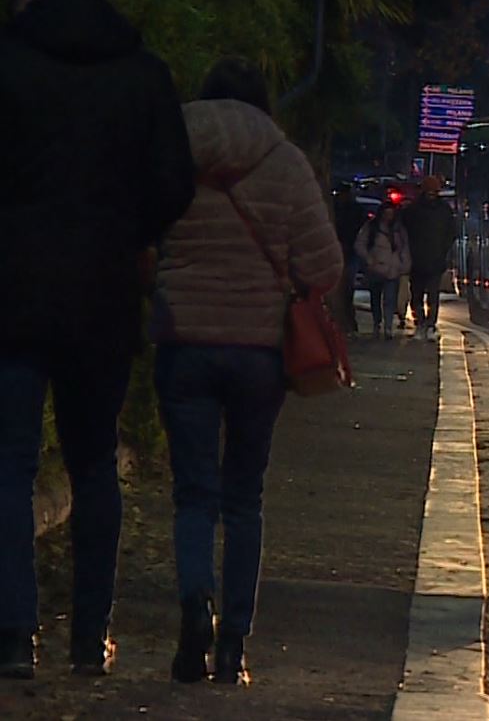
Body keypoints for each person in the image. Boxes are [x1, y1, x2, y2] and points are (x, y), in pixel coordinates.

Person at [0, 0, 195, 679]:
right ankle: (89, 635)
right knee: (94, 464)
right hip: (102, 295)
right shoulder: (140, 75)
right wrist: (127, 229)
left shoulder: (9, 62)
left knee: (10, 464)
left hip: (12, 292)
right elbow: (175, 182)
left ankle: (15, 632)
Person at [151, 58, 343, 685]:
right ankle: (234, 641)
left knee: (193, 494)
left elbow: (136, 234)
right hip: (260, 352)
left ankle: (193, 607)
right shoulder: (284, 161)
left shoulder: (170, 147)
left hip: (184, 343)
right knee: (244, 497)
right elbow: (326, 265)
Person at [401, 176, 457, 342]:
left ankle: (428, 325)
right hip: (421, 259)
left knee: (429, 295)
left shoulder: (419, 209)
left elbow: (451, 233)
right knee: (419, 295)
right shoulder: (418, 210)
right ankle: (423, 324)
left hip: (431, 259)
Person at [355, 204, 412, 339]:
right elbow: (360, 244)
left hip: (393, 269)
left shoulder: (399, 230)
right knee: (375, 298)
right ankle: (377, 322)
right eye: (386, 213)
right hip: (376, 268)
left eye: (391, 214)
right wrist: (369, 259)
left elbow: (405, 248)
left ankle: (387, 326)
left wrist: (404, 264)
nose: (388, 217)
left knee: (390, 299)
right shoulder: (372, 228)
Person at [332, 186, 368, 335]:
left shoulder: (344, 210)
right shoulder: (353, 210)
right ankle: (348, 321)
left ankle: (347, 321)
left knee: (345, 288)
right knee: (345, 288)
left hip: (347, 250)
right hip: (346, 250)